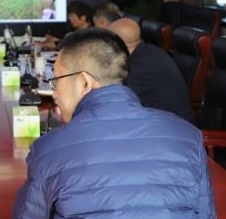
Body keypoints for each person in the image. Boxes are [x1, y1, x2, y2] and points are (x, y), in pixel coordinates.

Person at [13, 28, 215, 218]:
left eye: (57, 80)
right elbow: (206, 214)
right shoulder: (188, 136)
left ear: (85, 82)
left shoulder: (48, 150)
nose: (54, 93)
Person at [110, 18, 193, 122]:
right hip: (165, 123)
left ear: (115, 44)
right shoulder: (149, 52)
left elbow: (113, 100)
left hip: (170, 128)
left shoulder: (138, 67)